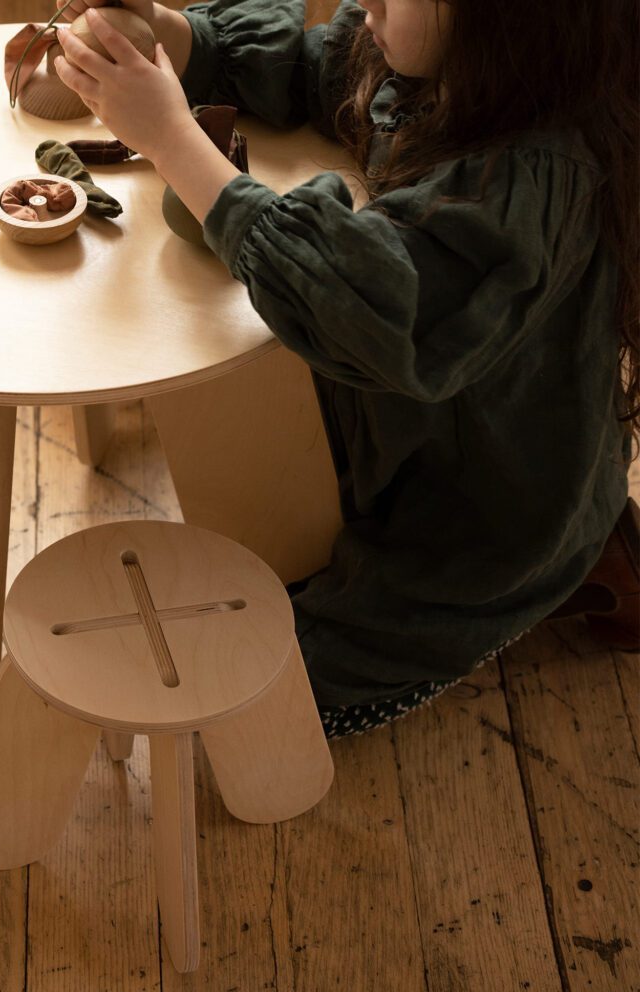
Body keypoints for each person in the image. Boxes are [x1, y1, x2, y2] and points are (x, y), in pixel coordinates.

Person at [52, 0, 639, 736]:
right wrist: (182, 36)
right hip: (411, 432)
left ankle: (568, 563)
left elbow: (366, 309)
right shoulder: (470, 68)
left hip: (475, 516)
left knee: (263, 704)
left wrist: (173, 138)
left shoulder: (532, 180)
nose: (365, 4)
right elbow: (320, 66)